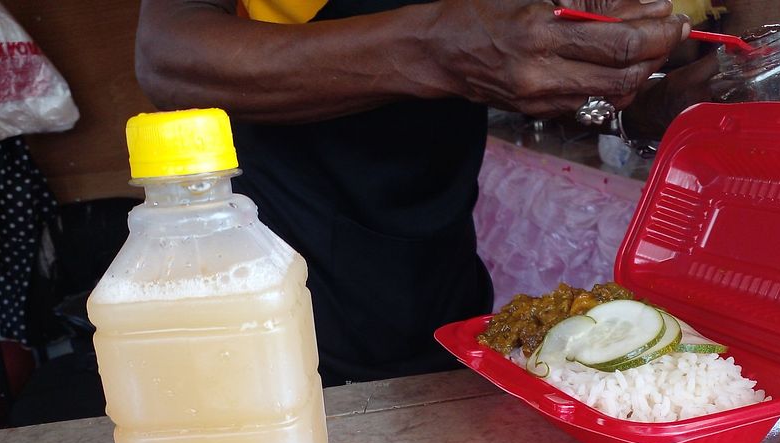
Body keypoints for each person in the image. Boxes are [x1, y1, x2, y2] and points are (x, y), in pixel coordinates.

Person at [135, 0, 709, 386]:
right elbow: (169, 55)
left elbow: (532, 66)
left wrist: (657, 102)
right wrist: (437, 49)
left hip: (436, 260)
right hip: (281, 262)